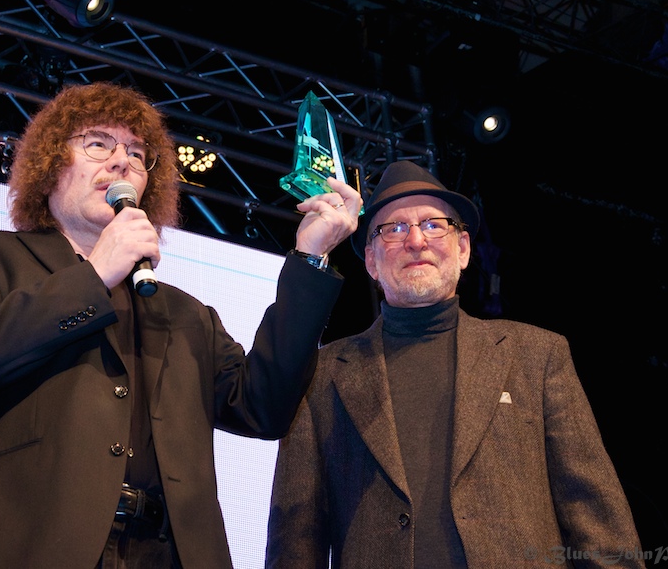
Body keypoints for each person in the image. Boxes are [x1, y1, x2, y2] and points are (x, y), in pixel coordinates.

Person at [0, 81, 362, 568]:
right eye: (98, 143)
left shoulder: (186, 315)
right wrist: (93, 276)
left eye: (136, 152)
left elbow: (264, 408)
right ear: (50, 163)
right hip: (30, 546)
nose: (121, 162)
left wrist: (310, 257)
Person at [265, 160, 645, 568]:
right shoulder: (321, 375)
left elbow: (598, 521)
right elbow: (295, 540)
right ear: (371, 261)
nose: (416, 240)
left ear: (463, 249)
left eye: (433, 224)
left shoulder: (537, 356)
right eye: (394, 228)